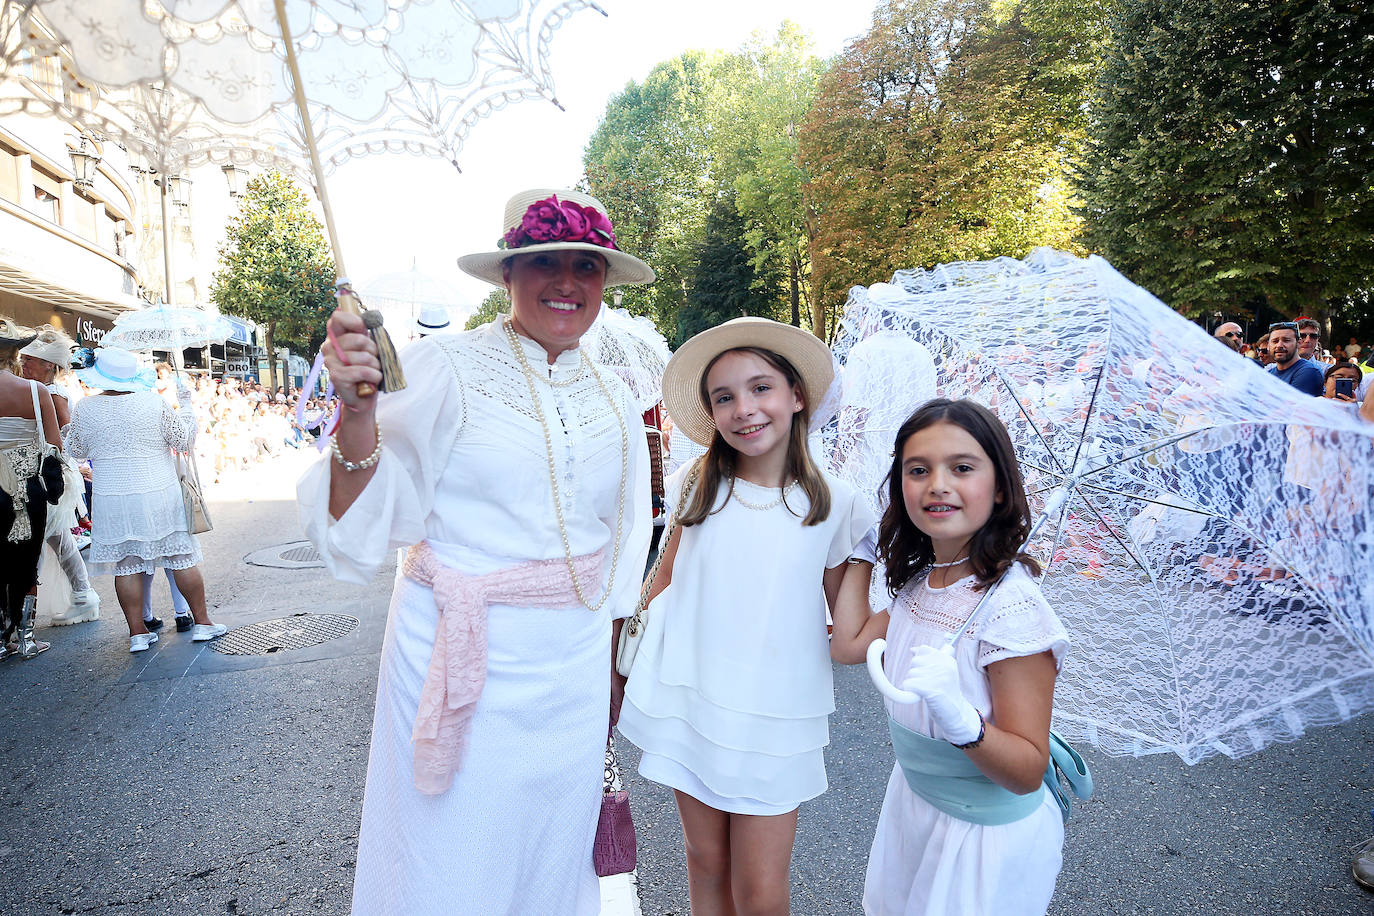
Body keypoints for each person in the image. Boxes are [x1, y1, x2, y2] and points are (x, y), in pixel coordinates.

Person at [299, 188, 654, 915]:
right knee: (451, 850)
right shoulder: (445, 367)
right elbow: (370, 518)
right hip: (453, 650)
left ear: (604, 283)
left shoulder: (617, 396)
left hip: (572, 670)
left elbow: (626, 542)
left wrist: (613, 666)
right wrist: (359, 413)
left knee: (552, 848)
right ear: (507, 276)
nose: (566, 281)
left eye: (585, 266)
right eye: (543, 262)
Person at [617, 317, 875, 916]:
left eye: (761, 388)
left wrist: (944, 586)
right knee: (705, 864)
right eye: (724, 397)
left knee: (760, 891)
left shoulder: (838, 504)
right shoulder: (695, 483)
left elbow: (851, 631)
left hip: (776, 715)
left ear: (797, 395)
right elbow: (665, 576)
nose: (745, 409)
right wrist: (621, 661)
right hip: (693, 700)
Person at [829, 398, 1069, 916]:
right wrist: (860, 550)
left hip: (981, 838)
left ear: (999, 487)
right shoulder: (922, 583)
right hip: (915, 807)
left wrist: (962, 719)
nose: (937, 483)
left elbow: (1028, 768)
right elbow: (849, 644)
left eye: (962, 467)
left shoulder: (1012, 608)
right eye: (918, 470)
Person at [66, 349, 226, 652]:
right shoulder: (153, 401)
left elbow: (76, 449)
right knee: (181, 557)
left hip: (113, 495)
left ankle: (138, 633)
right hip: (157, 491)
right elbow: (183, 440)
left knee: (127, 564)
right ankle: (203, 622)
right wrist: (188, 406)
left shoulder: (85, 407)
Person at [18, 326, 100, 625]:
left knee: (43, 539)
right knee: (57, 538)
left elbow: (65, 436)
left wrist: (71, 464)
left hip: (49, 475)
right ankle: (82, 595)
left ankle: (24, 616)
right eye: (23, 360)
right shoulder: (34, 389)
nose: (24, 364)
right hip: (39, 471)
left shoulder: (53, 394)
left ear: (48, 366)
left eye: (29, 361)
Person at [0, 316, 62, 659]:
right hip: (24, 492)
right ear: (14, 354)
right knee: (26, 562)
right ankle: (25, 638)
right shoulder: (35, 392)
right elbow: (54, 446)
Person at [1266, 322, 1324, 396]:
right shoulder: (1269, 373)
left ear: (1299, 343)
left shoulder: (1310, 371)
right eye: (1275, 341)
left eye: (1286, 340)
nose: (1279, 345)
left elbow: (1289, 405)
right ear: (1268, 345)